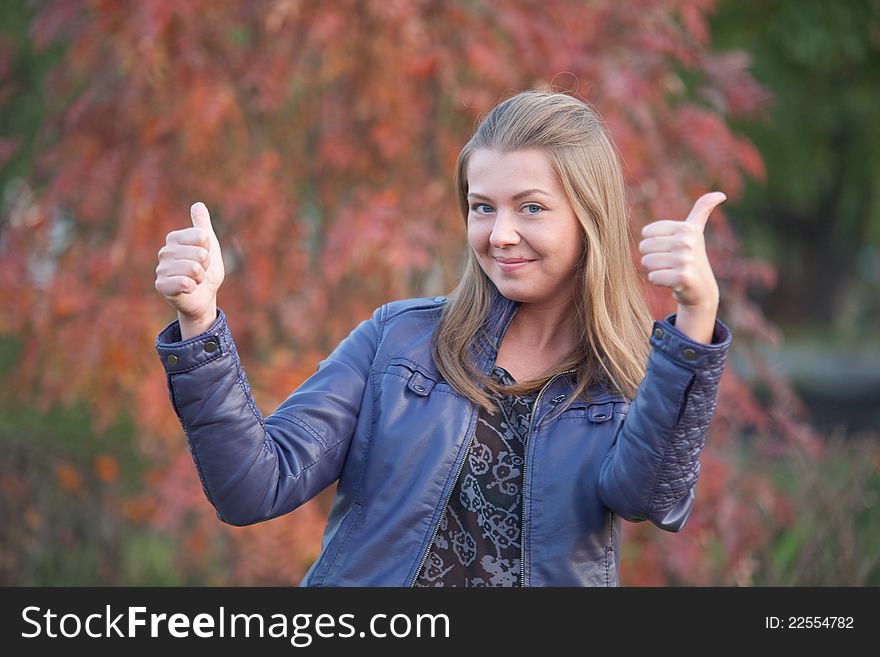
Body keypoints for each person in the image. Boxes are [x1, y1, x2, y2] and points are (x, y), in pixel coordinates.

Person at [154, 89, 732, 587]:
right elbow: (253, 486)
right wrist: (200, 322)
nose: (500, 235)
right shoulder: (397, 340)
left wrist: (695, 318)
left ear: (590, 219)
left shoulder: (624, 380)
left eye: (530, 208)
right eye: (483, 207)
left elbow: (650, 497)